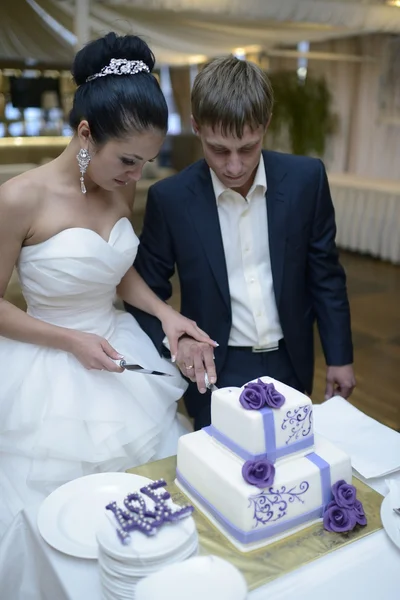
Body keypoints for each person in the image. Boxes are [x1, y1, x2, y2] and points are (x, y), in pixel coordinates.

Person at [0, 32, 217, 536]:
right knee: (65, 523)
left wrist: (167, 314)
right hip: (47, 366)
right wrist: (72, 341)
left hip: (118, 349)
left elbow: (114, 272)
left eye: (146, 161)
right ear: (85, 134)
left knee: (153, 509)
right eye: (127, 160)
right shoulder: (18, 200)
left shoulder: (121, 185)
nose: (137, 174)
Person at [128, 56, 355, 431]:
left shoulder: (306, 180)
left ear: (265, 126)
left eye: (247, 148)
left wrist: (340, 357)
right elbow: (144, 293)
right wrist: (178, 343)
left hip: (292, 358)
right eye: (219, 150)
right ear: (196, 127)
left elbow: (326, 275)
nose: (234, 166)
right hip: (213, 367)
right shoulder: (170, 199)